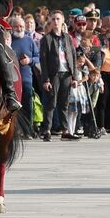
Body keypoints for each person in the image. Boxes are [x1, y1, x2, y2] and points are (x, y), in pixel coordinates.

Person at [38, 10, 77, 141]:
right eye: (53, 19)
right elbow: (43, 61)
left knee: (64, 103)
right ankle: (47, 130)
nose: (56, 21)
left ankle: (65, 130)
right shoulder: (46, 39)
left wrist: (75, 77)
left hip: (66, 73)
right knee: (51, 103)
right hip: (53, 74)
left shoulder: (67, 38)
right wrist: (46, 79)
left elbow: (73, 56)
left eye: (58, 19)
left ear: (62, 21)